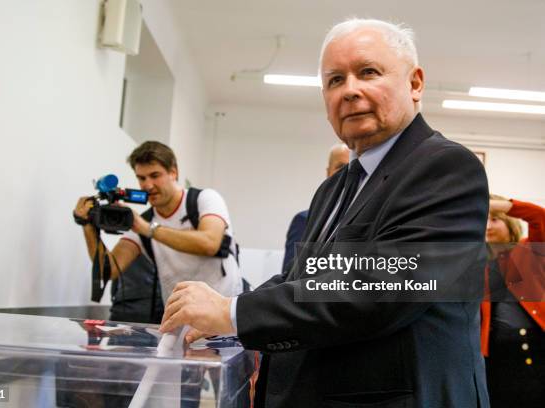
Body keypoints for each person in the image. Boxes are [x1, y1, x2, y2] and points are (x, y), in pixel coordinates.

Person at [159, 18, 491, 408]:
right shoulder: (333, 189)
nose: (349, 90)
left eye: (368, 72)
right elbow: (301, 278)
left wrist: (234, 312)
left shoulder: (446, 167)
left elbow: (380, 287)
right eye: (335, 80)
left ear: (415, 83)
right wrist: (220, 309)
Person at [74, 141, 243, 310]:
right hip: (180, 316)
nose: (147, 185)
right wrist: (87, 224)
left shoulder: (204, 199)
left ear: (173, 173)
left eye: (155, 176)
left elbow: (209, 243)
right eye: (141, 178)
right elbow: (108, 270)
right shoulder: (143, 222)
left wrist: (147, 229)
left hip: (223, 312)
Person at [481, 195, 544, 408]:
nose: (488, 226)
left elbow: (539, 217)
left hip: (537, 357)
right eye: (484, 219)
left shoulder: (529, 251)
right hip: (497, 366)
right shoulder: (476, 264)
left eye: (495, 219)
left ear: (510, 223)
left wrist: (501, 205)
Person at [281, 144, 350, 274]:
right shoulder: (305, 220)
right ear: (328, 172)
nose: (347, 172)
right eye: (340, 167)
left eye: (352, 166)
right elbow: (290, 276)